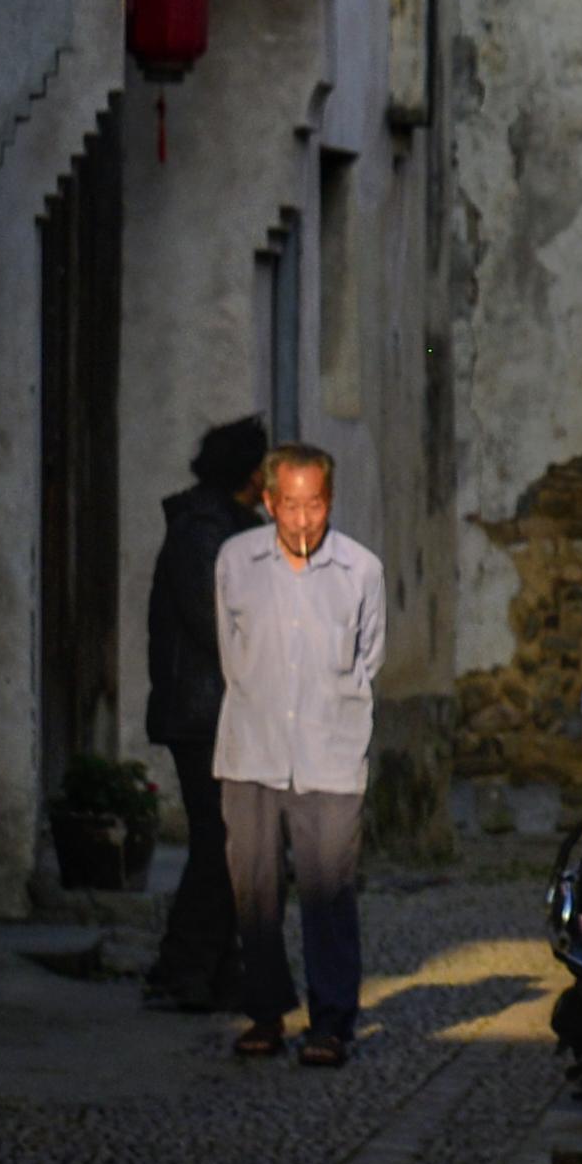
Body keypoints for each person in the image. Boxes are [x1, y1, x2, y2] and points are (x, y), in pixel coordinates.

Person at [209, 441, 382, 1064]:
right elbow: (231, 652)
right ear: (268, 501)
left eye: (314, 505)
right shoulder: (236, 561)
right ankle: (264, 1013)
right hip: (252, 750)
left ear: (329, 501)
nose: (302, 519)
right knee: (253, 891)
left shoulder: (361, 570)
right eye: (289, 505)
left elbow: (368, 659)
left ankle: (331, 1021)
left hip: (329, 756)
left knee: (329, 891)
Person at [136, 420, 269, 1011]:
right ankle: (182, 966)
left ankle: (216, 968)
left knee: (233, 844)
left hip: (228, 712)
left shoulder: (233, 531)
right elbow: (218, 622)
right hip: (203, 714)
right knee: (218, 843)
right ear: (248, 474)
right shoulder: (201, 535)